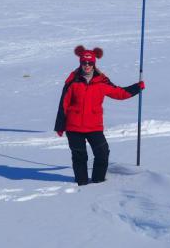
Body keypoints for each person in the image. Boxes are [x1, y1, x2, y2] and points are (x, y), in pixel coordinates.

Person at [54, 45, 145, 185]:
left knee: (102, 153)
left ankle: (98, 182)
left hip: (94, 127)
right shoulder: (73, 81)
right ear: (80, 63)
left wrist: (136, 88)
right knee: (80, 157)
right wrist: (60, 125)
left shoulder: (101, 82)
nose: (87, 66)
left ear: (94, 64)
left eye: (90, 63)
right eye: (84, 62)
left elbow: (119, 93)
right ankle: (81, 183)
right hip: (74, 127)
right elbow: (63, 104)